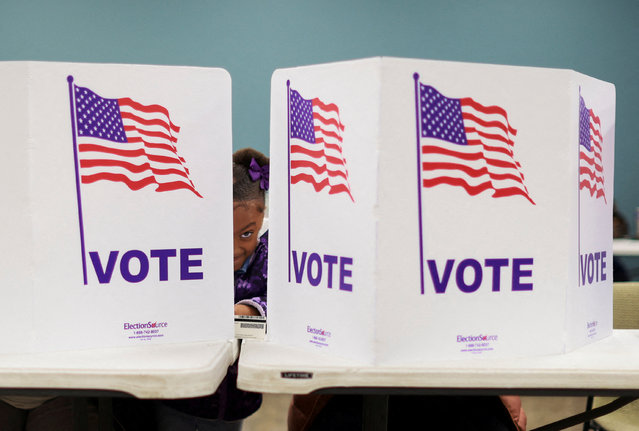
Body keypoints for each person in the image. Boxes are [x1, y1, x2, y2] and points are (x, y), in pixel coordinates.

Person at [152, 148, 269, 431]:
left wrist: (252, 308)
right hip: (179, 393)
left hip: (236, 399)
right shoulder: (185, 253)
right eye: (222, 232)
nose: (234, 248)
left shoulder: (268, 256)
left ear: (261, 224)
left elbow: (284, 299)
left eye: (246, 234)